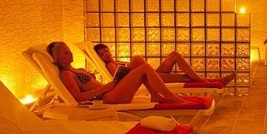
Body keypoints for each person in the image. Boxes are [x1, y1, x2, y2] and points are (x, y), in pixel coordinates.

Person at [47, 41, 187, 104]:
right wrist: (105, 88)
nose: (71, 54)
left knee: (137, 60)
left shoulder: (77, 69)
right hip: (108, 97)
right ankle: (172, 98)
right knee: (145, 68)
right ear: (57, 58)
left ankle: (155, 95)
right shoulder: (66, 74)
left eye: (69, 51)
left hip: (111, 91)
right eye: (66, 53)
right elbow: (78, 98)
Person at [93, 44, 235, 86]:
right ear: (100, 57)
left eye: (106, 50)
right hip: (146, 80)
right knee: (185, 78)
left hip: (150, 74)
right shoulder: (110, 65)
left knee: (174, 55)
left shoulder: (116, 61)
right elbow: (118, 79)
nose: (105, 53)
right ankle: (214, 81)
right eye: (102, 54)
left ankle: (209, 80)